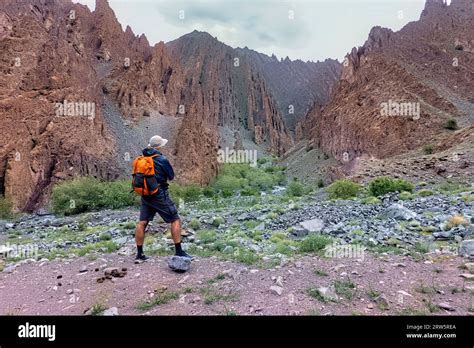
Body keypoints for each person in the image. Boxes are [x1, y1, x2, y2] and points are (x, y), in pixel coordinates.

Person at [134, 135, 193, 262]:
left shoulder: (142, 158)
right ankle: (179, 251)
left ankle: (139, 254)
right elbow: (171, 176)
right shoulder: (162, 159)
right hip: (159, 194)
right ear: (159, 146)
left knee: (142, 222)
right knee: (175, 219)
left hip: (145, 194)